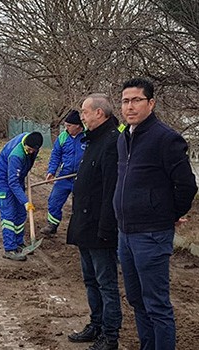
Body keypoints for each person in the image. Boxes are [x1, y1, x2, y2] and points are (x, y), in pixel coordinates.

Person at [114, 78, 197, 350]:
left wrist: (167, 214)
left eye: (136, 100)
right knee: (137, 300)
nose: (130, 106)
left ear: (151, 103)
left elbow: (186, 185)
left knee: (156, 304)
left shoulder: (165, 138)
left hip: (151, 235)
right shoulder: (124, 136)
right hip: (125, 233)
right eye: (125, 101)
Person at [66, 94, 122, 350]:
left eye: (85, 112)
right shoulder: (94, 140)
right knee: (90, 280)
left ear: (99, 113)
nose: (82, 117)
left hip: (100, 228)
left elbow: (111, 190)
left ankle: (110, 336)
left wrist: (106, 229)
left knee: (106, 283)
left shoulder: (112, 142)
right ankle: (96, 324)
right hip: (85, 225)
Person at [0, 131, 43, 261]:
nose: (31, 152)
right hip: (4, 179)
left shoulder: (32, 141)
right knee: (9, 215)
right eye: (29, 150)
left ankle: (19, 242)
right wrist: (26, 202)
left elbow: (20, 173)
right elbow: (12, 182)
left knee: (21, 213)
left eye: (33, 150)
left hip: (17, 176)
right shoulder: (16, 155)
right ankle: (9, 249)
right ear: (25, 145)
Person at [40, 109, 86, 236]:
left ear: (78, 126)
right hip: (64, 176)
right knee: (54, 200)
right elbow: (55, 156)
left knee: (81, 205)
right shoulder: (63, 137)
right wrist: (51, 171)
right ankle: (52, 225)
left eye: (69, 126)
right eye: (65, 125)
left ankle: (80, 230)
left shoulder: (88, 137)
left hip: (81, 177)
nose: (66, 128)